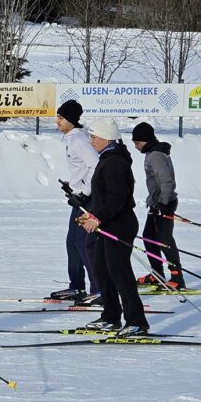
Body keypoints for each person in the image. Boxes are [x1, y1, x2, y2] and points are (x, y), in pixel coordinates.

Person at [79, 119, 148, 336]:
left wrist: (97, 218)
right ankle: (111, 316)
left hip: (120, 224)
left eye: (94, 137)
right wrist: (91, 215)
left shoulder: (115, 161)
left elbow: (117, 198)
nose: (91, 142)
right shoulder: (108, 158)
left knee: (120, 273)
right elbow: (105, 197)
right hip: (108, 222)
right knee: (102, 270)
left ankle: (137, 321)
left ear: (107, 138)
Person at [49, 99, 100, 305]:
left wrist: (85, 191)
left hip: (87, 200)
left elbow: (96, 166)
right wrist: (72, 186)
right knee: (72, 243)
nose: (57, 121)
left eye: (61, 118)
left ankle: (98, 290)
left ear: (70, 120)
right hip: (79, 198)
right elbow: (82, 169)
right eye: (58, 117)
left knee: (83, 244)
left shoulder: (79, 140)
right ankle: (76, 286)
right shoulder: (72, 138)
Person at [131, 122, 186, 290]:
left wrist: (162, 203)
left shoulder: (155, 155)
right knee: (149, 237)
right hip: (157, 203)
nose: (135, 146)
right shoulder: (153, 153)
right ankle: (157, 274)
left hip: (165, 202)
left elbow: (166, 180)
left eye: (137, 142)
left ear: (146, 140)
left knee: (165, 240)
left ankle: (177, 278)